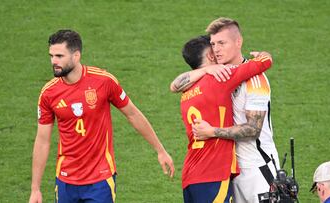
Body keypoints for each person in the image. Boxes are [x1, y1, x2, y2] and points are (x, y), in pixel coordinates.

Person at [29, 29, 174, 203]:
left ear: (76, 56)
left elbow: (133, 114)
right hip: (65, 180)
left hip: (100, 179)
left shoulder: (103, 81)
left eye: (59, 56)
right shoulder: (48, 93)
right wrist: (35, 189)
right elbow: (42, 140)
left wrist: (160, 150)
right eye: (51, 56)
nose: (54, 61)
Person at [172, 17, 279, 203]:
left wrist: (212, 131)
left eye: (222, 43)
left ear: (238, 42)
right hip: (230, 172)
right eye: (213, 44)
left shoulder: (254, 80)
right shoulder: (217, 75)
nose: (216, 49)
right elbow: (174, 85)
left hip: (258, 169)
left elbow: (253, 130)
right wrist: (205, 70)